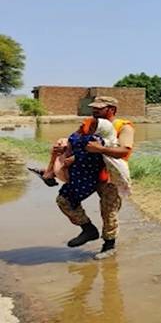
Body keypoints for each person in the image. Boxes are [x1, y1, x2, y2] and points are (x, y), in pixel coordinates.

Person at [55, 96, 135, 260]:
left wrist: (100, 149)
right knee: (64, 200)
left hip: (109, 176)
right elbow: (76, 142)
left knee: (108, 211)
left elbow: (124, 151)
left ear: (111, 109)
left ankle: (109, 245)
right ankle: (88, 229)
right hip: (85, 173)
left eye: (100, 108)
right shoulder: (88, 123)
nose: (95, 111)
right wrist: (68, 150)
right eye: (94, 108)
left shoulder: (123, 127)